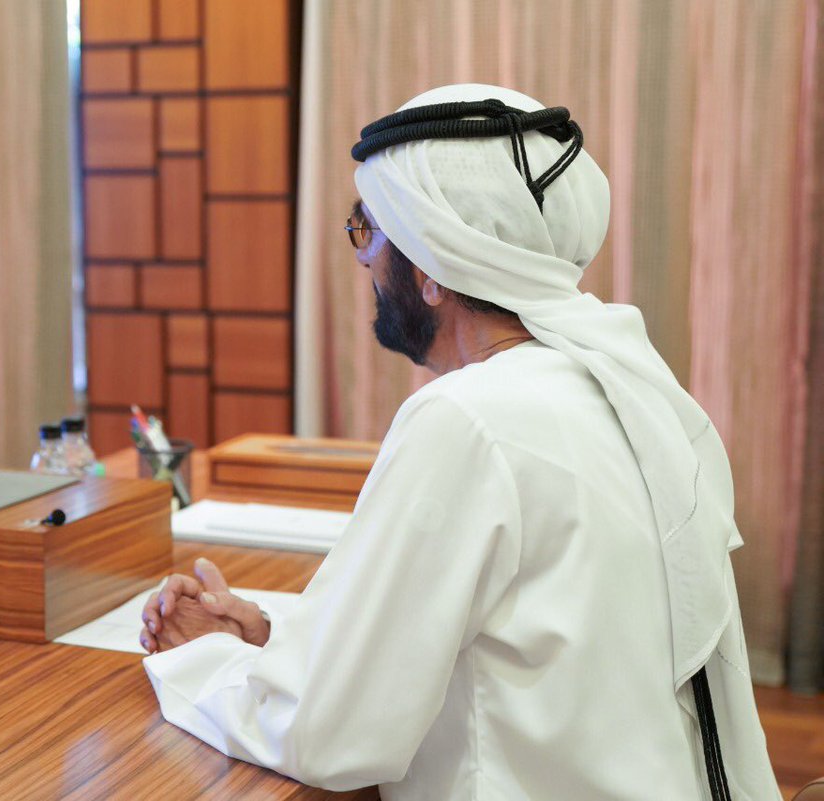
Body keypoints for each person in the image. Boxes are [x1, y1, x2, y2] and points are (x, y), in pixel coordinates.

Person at [138, 84, 779, 800]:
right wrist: (274, 635)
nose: (364, 261)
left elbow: (330, 734)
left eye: (368, 230)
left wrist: (202, 659)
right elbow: (515, 636)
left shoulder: (469, 418)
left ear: (430, 268)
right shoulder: (622, 384)